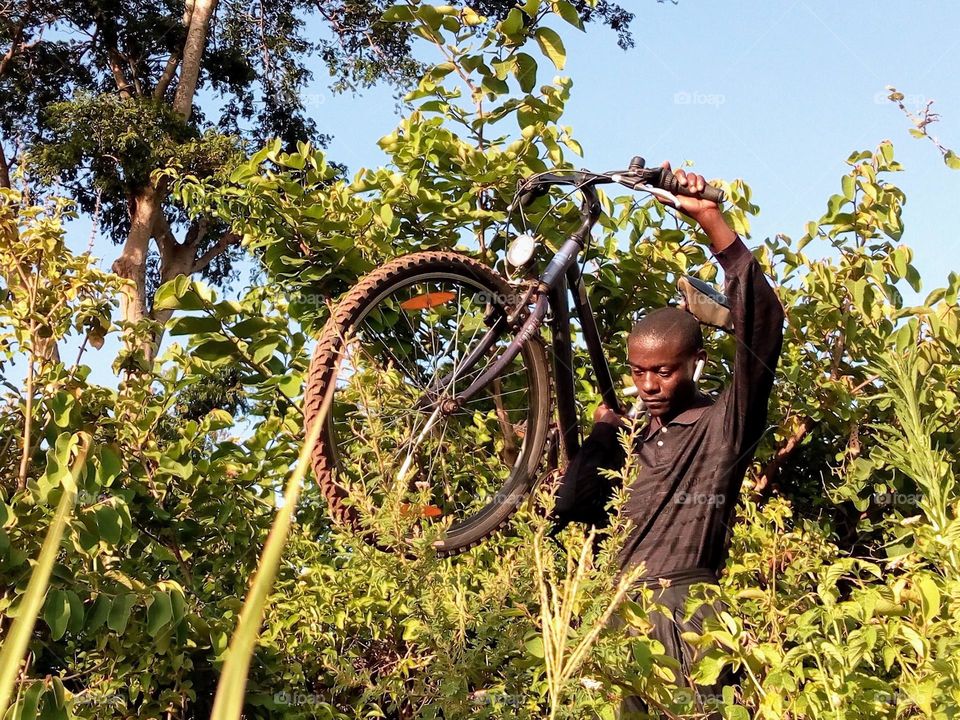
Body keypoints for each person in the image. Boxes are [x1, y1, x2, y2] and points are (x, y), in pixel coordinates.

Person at [549, 162, 786, 717]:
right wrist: (604, 435)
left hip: (689, 616)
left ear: (696, 364)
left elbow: (763, 329)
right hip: (618, 623)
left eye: (666, 372)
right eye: (638, 372)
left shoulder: (721, 426)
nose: (650, 386)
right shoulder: (630, 440)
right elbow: (572, 509)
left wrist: (711, 220)